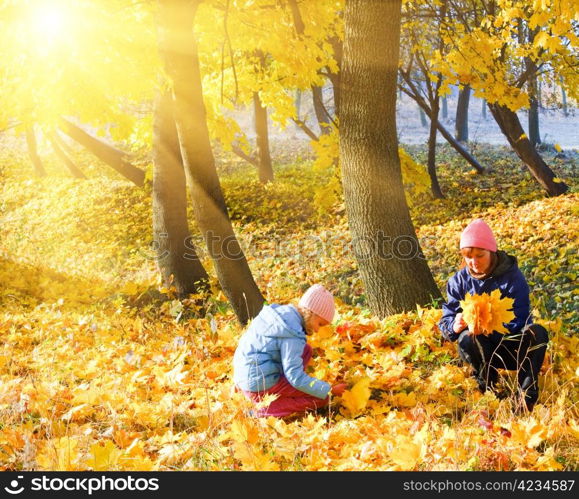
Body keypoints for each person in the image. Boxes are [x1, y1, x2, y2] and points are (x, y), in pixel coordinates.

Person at [438, 219, 549, 412]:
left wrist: (492, 323)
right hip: (480, 349)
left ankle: (525, 397)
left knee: (537, 332)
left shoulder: (513, 277)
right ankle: (488, 388)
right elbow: (447, 320)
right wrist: (454, 326)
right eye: (468, 256)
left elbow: (522, 318)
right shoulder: (458, 281)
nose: (474, 262)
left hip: (512, 347)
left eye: (480, 255)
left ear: (492, 252)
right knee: (467, 337)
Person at [233, 284, 347, 418]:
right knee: (322, 398)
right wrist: (330, 390)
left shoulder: (279, 315)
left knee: (306, 350)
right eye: (320, 324)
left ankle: (254, 395)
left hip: (244, 376)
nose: (317, 330)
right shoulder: (292, 332)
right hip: (258, 384)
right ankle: (261, 410)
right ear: (310, 312)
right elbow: (295, 377)